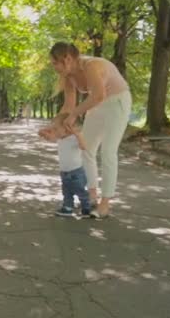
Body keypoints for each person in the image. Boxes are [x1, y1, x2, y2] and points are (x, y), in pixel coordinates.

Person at [50, 42, 131, 218]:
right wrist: (54, 127)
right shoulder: (68, 76)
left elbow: (99, 95)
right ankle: (92, 196)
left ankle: (105, 203)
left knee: (108, 151)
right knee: (87, 149)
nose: (53, 67)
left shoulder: (91, 65)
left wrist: (76, 114)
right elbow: (69, 105)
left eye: (55, 62)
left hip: (117, 101)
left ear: (67, 58)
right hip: (96, 105)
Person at [39, 113, 92, 218]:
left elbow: (84, 146)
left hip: (76, 172)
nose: (54, 131)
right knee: (66, 192)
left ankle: (87, 207)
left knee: (80, 191)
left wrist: (77, 134)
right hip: (64, 172)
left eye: (56, 128)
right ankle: (67, 208)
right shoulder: (60, 139)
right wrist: (43, 132)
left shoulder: (74, 139)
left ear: (67, 128)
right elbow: (50, 138)